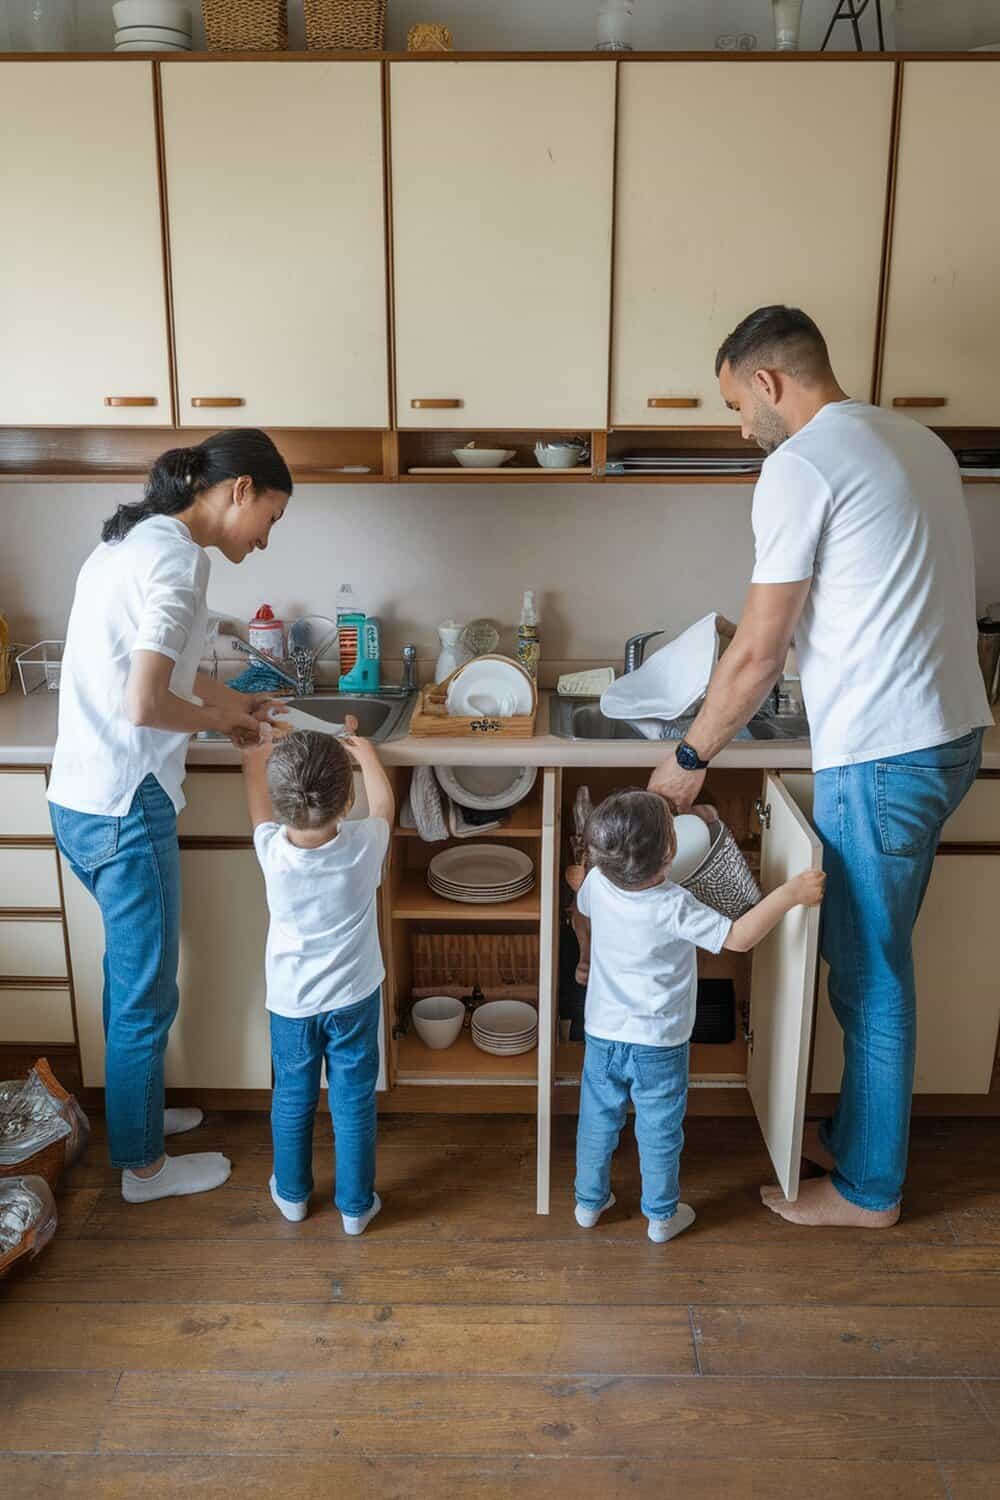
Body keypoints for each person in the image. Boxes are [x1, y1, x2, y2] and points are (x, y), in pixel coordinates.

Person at [649, 305, 992, 1228]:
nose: (738, 427)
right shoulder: (915, 439)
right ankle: (854, 1137)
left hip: (885, 752)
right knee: (869, 955)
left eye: (734, 404)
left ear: (768, 381)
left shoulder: (797, 464)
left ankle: (869, 1190)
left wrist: (688, 758)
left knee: (869, 973)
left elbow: (760, 651)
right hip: (953, 734)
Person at [48, 429, 293, 1203]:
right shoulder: (180, 560)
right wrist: (222, 724)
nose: (265, 540)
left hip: (79, 798)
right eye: (271, 519)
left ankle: (138, 1122)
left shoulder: (129, 543)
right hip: (127, 802)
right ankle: (144, 1169)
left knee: (128, 982)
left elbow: (164, 679)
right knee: (146, 994)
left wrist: (234, 708)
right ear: (240, 489)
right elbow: (148, 704)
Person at [569, 789, 824, 1243]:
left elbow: (580, 906)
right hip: (660, 1043)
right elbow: (741, 937)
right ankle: (661, 1216)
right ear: (670, 851)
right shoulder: (673, 904)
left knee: (596, 1120)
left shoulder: (597, 884)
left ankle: (589, 1203)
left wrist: (585, 941)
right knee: (659, 1128)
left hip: (604, 1035)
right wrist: (791, 893)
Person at [242, 724, 394, 1235]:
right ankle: (355, 1207)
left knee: (292, 1095)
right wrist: (367, 754)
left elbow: (257, 806)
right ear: (346, 798)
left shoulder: (271, 851)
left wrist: (255, 752)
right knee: (352, 1100)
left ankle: (292, 1196)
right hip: (353, 997)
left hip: (291, 1003)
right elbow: (385, 807)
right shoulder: (363, 846)